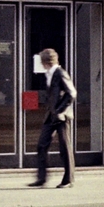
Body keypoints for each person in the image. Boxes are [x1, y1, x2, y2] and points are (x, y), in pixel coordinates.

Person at [32, 48, 77, 188]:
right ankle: (41, 178)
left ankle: (68, 180)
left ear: (45, 62)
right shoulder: (49, 74)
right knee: (41, 145)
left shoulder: (60, 73)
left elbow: (72, 93)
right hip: (50, 116)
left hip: (62, 117)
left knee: (64, 148)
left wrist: (59, 110)